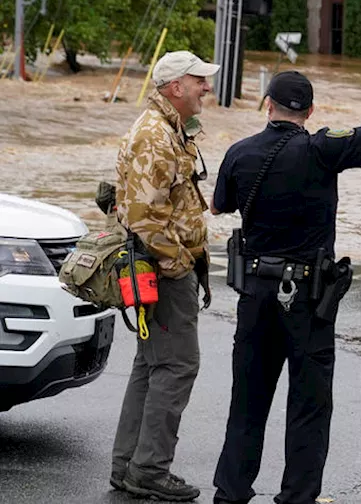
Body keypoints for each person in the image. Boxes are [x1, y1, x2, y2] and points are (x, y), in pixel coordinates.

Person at [208, 37, 361, 504]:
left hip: (256, 292)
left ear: (267, 105)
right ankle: (297, 498)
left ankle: (231, 494)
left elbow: (219, 208)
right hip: (306, 298)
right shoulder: (324, 150)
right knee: (308, 406)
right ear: (311, 110)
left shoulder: (239, 153)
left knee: (248, 402)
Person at [111, 50, 220, 502]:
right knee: (176, 367)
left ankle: (130, 467)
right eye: (200, 81)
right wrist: (180, 268)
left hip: (157, 267)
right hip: (162, 269)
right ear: (176, 87)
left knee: (153, 365)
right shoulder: (156, 136)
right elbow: (144, 218)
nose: (207, 88)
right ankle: (149, 470)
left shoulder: (167, 128)